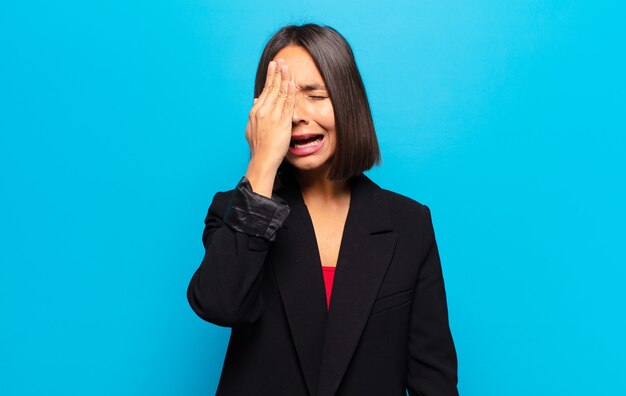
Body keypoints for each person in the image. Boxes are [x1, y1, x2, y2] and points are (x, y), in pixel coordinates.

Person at [187, 23, 458, 396]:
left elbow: (434, 381)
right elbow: (219, 305)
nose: (297, 116)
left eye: (315, 95)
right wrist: (262, 164)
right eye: (281, 100)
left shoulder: (409, 224)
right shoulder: (234, 210)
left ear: (347, 101)